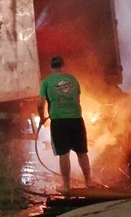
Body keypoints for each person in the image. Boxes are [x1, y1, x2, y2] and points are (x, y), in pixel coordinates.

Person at [37, 55, 94, 194]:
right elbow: (77, 99)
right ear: (62, 66)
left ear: (51, 67)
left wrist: (42, 117)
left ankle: (66, 186)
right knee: (82, 152)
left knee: (64, 153)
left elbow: (40, 104)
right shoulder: (73, 79)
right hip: (76, 119)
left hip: (59, 121)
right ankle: (89, 182)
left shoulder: (46, 82)